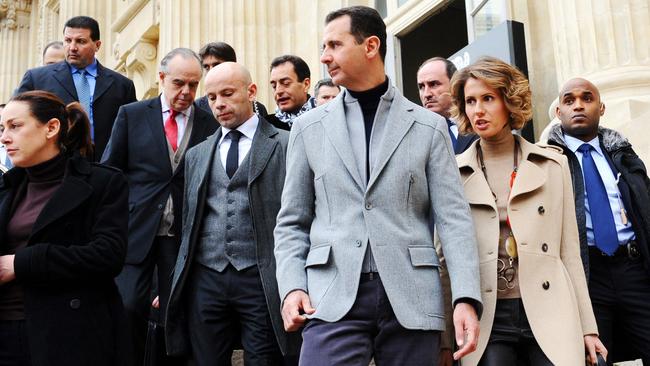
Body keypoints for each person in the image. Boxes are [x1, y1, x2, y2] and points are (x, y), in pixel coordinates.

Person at [274, 6, 482, 366]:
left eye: (334, 45)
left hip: (412, 298)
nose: (324, 57)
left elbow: (454, 220)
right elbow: (292, 221)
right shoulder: (308, 129)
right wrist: (292, 286)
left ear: (370, 46)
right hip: (331, 296)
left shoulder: (429, 128)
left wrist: (465, 297)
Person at [448, 56, 606, 365]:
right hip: (487, 317)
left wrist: (588, 328)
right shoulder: (451, 172)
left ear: (509, 101)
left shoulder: (553, 163)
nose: (478, 110)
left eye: (488, 98)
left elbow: (569, 252)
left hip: (551, 309)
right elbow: (445, 260)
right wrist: (444, 339)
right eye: (470, 101)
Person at [165, 62, 301, 366]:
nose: (219, 104)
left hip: (261, 275)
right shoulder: (197, 154)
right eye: (212, 98)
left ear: (251, 91)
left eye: (227, 93)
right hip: (206, 277)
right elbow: (187, 225)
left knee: (264, 359)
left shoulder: (286, 144)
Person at [100, 48, 218, 366]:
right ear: (162, 78)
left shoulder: (210, 124)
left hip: (182, 236)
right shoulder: (132, 114)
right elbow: (110, 173)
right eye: (179, 83)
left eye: (194, 85)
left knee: (174, 314)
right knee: (126, 307)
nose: (187, 92)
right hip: (135, 231)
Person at [0, 90, 129, 366]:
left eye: (15, 126)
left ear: (52, 128)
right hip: (6, 332)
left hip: (68, 333)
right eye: (2, 128)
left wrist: (21, 263)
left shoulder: (100, 183)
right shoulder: (7, 188)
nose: (4, 137)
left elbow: (107, 255)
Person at [547, 77, 650, 364]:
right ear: (558, 112)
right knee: (594, 359)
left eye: (587, 98)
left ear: (601, 107)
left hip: (634, 270)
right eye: (569, 100)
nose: (578, 105)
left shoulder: (622, 153)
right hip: (586, 276)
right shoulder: (548, 161)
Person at [16, 16, 137, 161]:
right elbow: (17, 120)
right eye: (67, 41)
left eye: (81, 41)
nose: (72, 47)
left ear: (97, 45)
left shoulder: (122, 85)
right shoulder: (37, 78)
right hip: (53, 167)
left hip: (105, 168)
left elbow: (133, 130)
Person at [417, 57, 477, 154]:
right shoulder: (417, 138)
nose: (426, 94)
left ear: (454, 84)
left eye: (434, 84)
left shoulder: (478, 122)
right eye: (421, 87)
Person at [195, 41, 268, 118]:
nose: (211, 71)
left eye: (216, 65)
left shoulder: (257, 108)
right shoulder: (197, 107)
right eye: (206, 67)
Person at [267, 54, 316, 130]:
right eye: (274, 86)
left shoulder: (324, 118)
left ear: (306, 84)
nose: (278, 91)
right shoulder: (266, 126)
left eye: (286, 83)